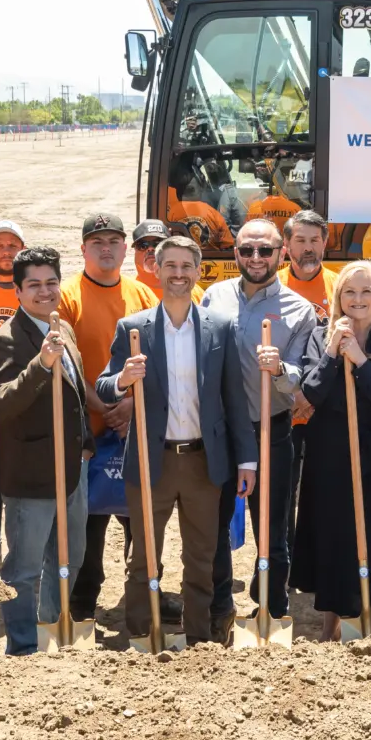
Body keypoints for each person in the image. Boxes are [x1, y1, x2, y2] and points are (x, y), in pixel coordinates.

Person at [96, 236, 257, 645]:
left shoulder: (220, 328)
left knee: (201, 558)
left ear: (199, 271)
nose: (179, 274)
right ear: (156, 269)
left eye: (187, 266)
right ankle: (140, 635)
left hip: (205, 462)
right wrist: (122, 380)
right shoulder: (134, 329)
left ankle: (199, 638)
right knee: (144, 558)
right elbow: (104, 385)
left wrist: (247, 461)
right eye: (170, 266)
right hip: (153, 462)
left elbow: (234, 399)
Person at [201, 218, 318, 624]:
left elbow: (303, 377)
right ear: (235, 252)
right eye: (247, 249)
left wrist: (281, 370)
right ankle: (219, 604)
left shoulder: (300, 310)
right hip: (219, 432)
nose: (255, 257)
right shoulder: (213, 297)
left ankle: (271, 604)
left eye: (264, 250)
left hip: (270, 429)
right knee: (213, 524)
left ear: (281, 253)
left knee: (273, 526)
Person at [292, 261, 371, 638]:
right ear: (338, 297)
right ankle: (332, 621)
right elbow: (310, 393)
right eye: (350, 291)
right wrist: (332, 352)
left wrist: (361, 362)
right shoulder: (319, 336)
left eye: (366, 291)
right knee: (335, 533)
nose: (357, 299)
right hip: (331, 451)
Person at [0, 246, 91, 653]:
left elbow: (76, 396)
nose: (44, 292)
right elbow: (5, 404)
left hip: (72, 471)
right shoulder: (7, 340)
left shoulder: (61, 328)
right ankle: (23, 645)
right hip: (30, 476)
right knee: (24, 567)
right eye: (34, 285)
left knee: (71, 558)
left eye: (51, 283)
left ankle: (49, 627)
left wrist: (87, 445)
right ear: (17, 290)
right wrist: (41, 364)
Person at [59, 211, 158, 621]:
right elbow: (65, 363)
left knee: (143, 526)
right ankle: (82, 604)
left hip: (134, 432)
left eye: (114, 241)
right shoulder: (67, 296)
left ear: (124, 248)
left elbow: (160, 358)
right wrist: (102, 407)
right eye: (97, 241)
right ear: (83, 249)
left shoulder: (143, 295)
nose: (106, 248)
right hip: (89, 434)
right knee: (89, 527)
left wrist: (132, 406)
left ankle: (145, 600)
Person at [279, 209, 334, 527]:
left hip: (324, 409)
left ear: (325, 243)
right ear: (286, 245)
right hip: (283, 406)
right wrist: (295, 392)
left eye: (315, 240)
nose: (308, 247)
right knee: (283, 491)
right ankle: (284, 559)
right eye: (300, 240)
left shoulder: (341, 287)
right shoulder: (270, 286)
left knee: (322, 493)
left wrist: (311, 395)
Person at [133, 218, 205, 301]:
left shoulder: (195, 294)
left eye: (158, 244)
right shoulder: (127, 293)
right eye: (142, 245)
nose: (150, 248)